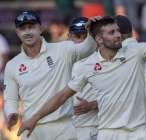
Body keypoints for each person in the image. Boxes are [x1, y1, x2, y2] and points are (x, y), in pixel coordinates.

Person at [17, 4, 146, 140]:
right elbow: (62, 96)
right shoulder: (87, 66)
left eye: (118, 31)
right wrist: (34, 118)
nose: (118, 35)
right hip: (107, 134)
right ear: (99, 39)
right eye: (112, 32)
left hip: (137, 133)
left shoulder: (135, 52)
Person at [3, 10, 97, 140]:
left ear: (40, 28)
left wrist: (92, 31)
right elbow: (11, 99)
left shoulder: (62, 49)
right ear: (17, 32)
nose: (27, 32)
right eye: (23, 28)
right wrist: (11, 113)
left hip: (62, 127)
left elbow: (87, 48)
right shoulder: (12, 65)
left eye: (31, 27)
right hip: (31, 129)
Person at [68, 17, 99, 140]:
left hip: (93, 128)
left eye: (85, 36)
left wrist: (94, 104)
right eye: (78, 36)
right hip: (68, 130)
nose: (82, 40)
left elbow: (121, 96)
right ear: (69, 36)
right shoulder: (61, 61)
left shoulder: (104, 60)